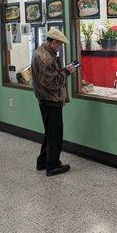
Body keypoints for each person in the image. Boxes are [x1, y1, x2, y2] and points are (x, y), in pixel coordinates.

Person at [31, 28, 77, 177]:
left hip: (44, 99)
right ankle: (53, 166)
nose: (60, 47)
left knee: (49, 133)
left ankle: (42, 161)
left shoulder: (39, 52)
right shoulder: (46, 58)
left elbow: (48, 76)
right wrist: (68, 72)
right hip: (51, 100)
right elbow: (53, 82)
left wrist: (62, 70)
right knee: (55, 134)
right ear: (54, 42)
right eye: (60, 44)